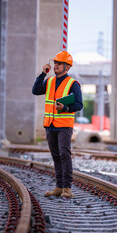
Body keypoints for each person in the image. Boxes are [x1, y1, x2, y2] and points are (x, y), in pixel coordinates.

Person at [32, 51, 83, 198]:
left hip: (64, 125)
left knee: (64, 155)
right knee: (55, 156)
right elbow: (35, 91)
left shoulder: (73, 84)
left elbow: (79, 104)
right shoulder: (49, 81)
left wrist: (66, 108)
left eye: (59, 63)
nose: (56, 65)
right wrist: (43, 73)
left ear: (67, 66)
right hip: (50, 124)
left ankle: (67, 189)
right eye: (55, 63)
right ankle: (59, 187)